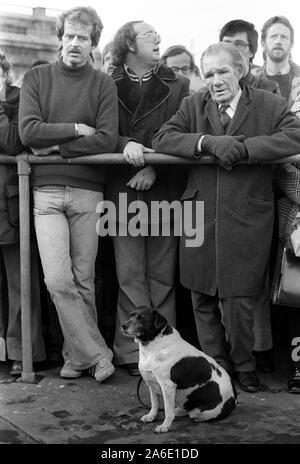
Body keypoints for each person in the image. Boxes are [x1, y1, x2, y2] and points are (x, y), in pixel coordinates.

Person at [153, 42, 300, 392]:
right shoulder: (193, 104)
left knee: (239, 298)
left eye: (222, 71)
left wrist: (247, 149)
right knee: (201, 295)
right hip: (200, 213)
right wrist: (206, 142)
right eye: (209, 74)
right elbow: (163, 137)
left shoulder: (271, 104)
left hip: (248, 214)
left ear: (241, 70)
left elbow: (295, 136)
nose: (215, 80)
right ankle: (215, 365)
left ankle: (244, 364)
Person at [19, 6, 118, 382]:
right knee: (57, 280)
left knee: (84, 279)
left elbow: (107, 137)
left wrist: (58, 147)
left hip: (88, 190)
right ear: (59, 37)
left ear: (94, 42)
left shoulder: (102, 83)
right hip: (45, 193)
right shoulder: (38, 77)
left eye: (84, 37)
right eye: (70, 36)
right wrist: (77, 128)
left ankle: (75, 357)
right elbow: (29, 132)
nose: (75, 43)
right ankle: (98, 353)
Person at [106, 20, 189, 376]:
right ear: (128, 42)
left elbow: (185, 133)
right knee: (128, 274)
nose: (158, 37)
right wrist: (128, 146)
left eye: (159, 33)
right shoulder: (106, 84)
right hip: (122, 190)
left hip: (165, 190)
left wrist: (156, 166)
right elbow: (103, 130)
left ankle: (167, 353)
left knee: (161, 276)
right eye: (148, 34)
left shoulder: (179, 84)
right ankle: (128, 353)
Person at [219, 19, 280, 373]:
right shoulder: (211, 88)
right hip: (221, 197)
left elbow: (286, 134)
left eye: (240, 44)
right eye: (227, 43)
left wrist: (241, 148)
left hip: (261, 189)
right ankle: (236, 356)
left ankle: (258, 353)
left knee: (255, 279)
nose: (234, 49)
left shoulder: (266, 88)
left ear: (252, 52)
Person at [256, 15, 300, 392]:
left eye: (286, 36)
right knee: (277, 280)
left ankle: (294, 362)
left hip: (292, 196)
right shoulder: (254, 81)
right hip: (273, 194)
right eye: (274, 36)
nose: (280, 41)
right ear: (263, 42)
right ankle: (266, 351)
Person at [0, 52, 46, 374]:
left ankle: (22, 350)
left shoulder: (18, 101)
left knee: (20, 281)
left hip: (9, 201)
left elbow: (14, 141)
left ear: (5, 73)